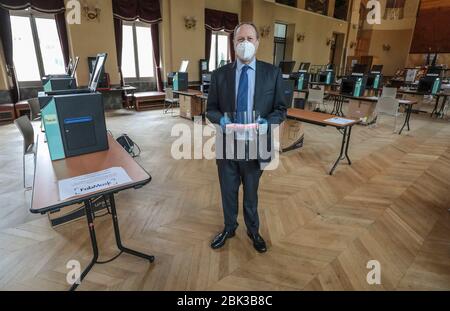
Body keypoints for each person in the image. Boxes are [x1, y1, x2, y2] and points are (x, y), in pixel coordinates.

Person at [206, 22, 287, 253]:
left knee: (251, 193)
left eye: (249, 39)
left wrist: (268, 123)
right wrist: (219, 119)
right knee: (228, 191)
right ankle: (229, 228)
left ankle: (253, 230)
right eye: (240, 39)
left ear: (258, 42)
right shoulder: (219, 75)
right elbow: (210, 108)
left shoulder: (272, 73)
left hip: (256, 144)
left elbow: (281, 109)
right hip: (227, 145)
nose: (245, 44)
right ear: (233, 44)